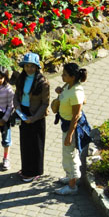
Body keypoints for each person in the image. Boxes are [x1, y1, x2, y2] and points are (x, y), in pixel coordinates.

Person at [52, 63, 92, 196]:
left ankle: (72, 186)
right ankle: (71, 177)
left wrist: (70, 135)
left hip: (72, 127)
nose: (62, 76)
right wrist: (60, 92)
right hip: (66, 124)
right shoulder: (68, 86)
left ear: (73, 77)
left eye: (64, 74)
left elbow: (76, 116)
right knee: (68, 154)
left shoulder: (76, 92)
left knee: (70, 156)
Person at [13, 53, 50, 183]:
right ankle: (26, 169)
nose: (29, 69)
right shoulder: (21, 78)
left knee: (36, 145)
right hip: (23, 113)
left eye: (32, 66)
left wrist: (33, 118)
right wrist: (17, 108)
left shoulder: (43, 82)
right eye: (27, 66)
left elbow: (45, 104)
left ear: (37, 67)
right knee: (25, 143)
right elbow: (16, 95)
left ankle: (34, 172)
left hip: (36, 116)